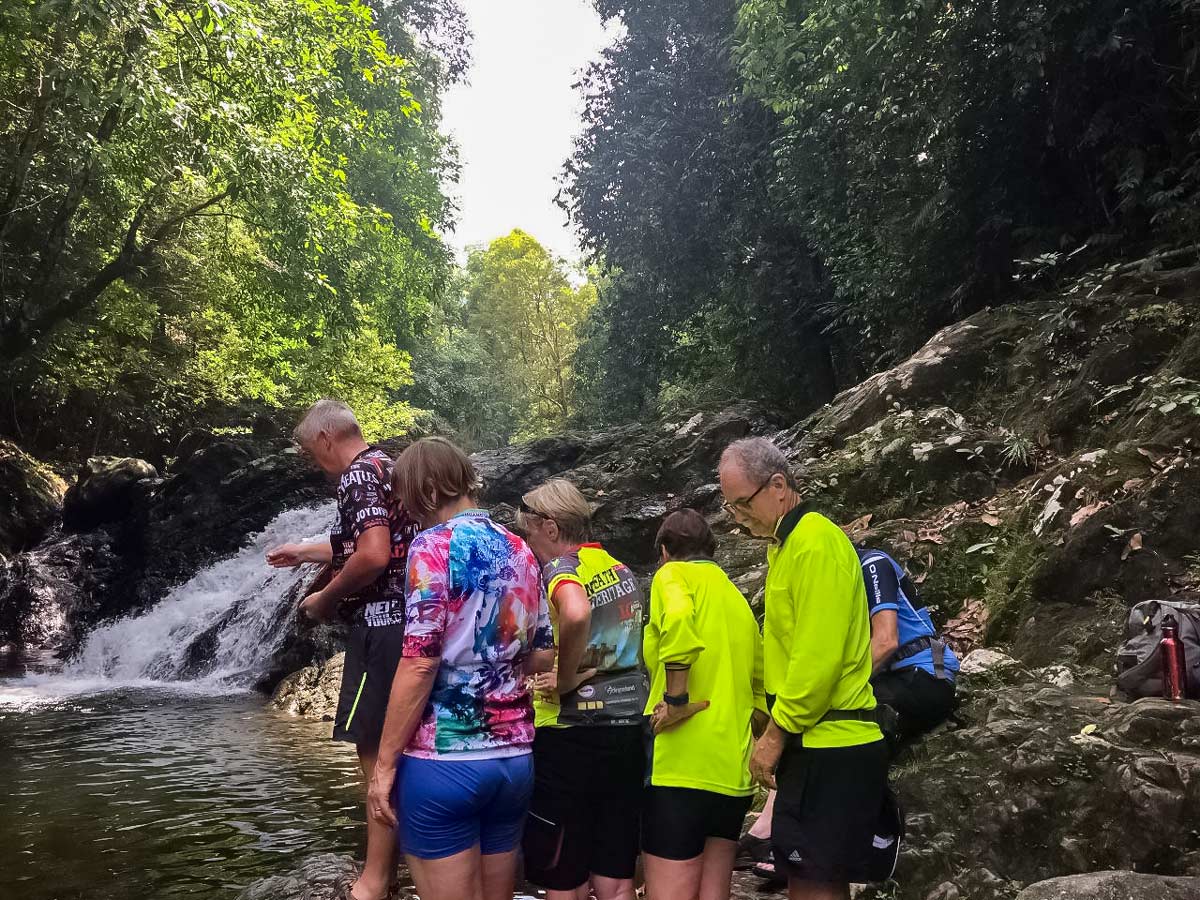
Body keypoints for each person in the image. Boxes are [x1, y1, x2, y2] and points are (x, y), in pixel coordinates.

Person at [366, 437, 554, 900]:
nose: (410, 514)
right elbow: (542, 655)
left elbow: (421, 658)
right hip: (513, 761)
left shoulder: (431, 547)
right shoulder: (521, 549)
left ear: (428, 492)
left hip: (444, 762)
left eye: (410, 502)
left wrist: (384, 765)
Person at [718, 437, 887, 900]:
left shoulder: (813, 543)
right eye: (730, 508)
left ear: (778, 485)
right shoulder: (786, 546)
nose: (738, 517)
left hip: (832, 744)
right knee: (810, 882)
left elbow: (817, 659)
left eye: (742, 504)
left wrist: (775, 735)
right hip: (815, 743)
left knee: (814, 885)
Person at [266, 399, 417, 900]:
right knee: (402, 749)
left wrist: (325, 600)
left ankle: (376, 880)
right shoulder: (388, 465)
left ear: (328, 438)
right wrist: (306, 552)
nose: (315, 462)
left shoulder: (355, 476)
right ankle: (402, 866)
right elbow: (380, 541)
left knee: (373, 750)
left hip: (379, 627)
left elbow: (372, 556)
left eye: (312, 453)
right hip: (410, 624)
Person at [740, 547, 959, 886]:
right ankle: (777, 833)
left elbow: (885, 641)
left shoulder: (871, 564)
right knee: (813, 717)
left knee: (846, 722)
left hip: (924, 673)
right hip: (887, 679)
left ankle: (814, 835)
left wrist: (835, 692)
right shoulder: (831, 584)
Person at [515, 479, 648, 900]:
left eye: (530, 533)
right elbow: (618, 650)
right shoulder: (619, 570)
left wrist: (567, 676)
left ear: (551, 528)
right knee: (616, 874)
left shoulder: (560, 568)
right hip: (626, 729)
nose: (529, 544)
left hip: (570, 735)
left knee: (564, 874)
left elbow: (575, 613)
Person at [641, 509, 768, 900]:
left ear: (665, 551)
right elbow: (761, 679)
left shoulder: (671, 576)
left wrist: (677, 699)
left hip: (681, 764)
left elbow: (678, 618)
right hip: (732, 768)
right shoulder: (735, 596)